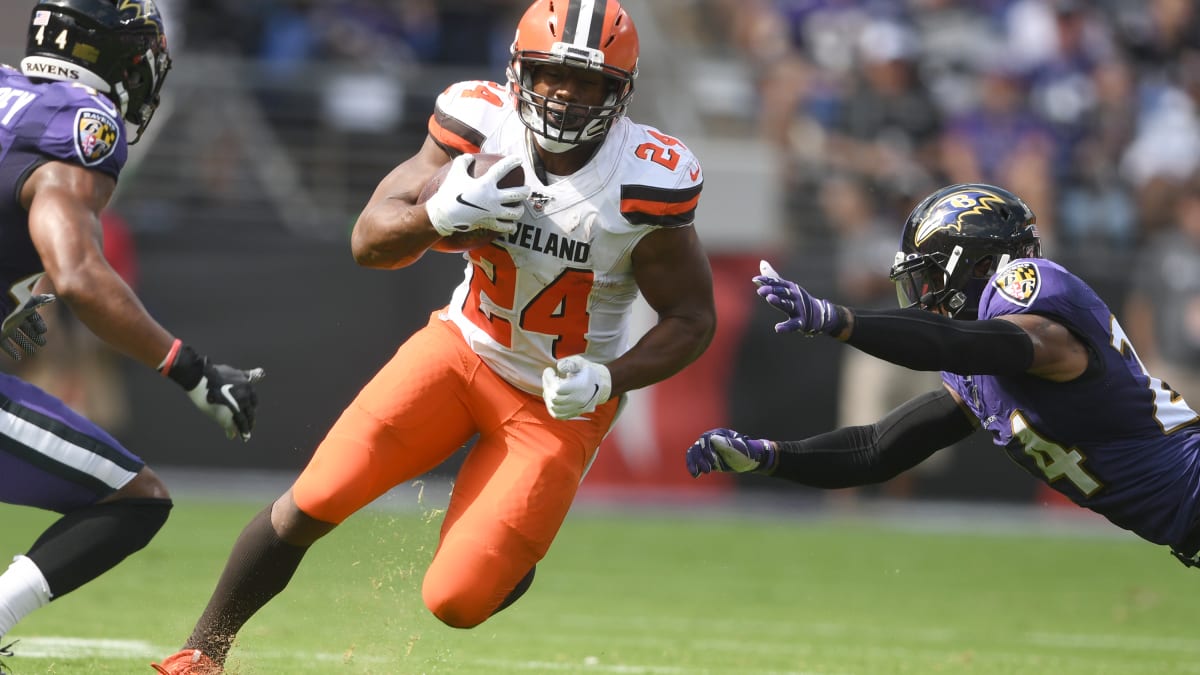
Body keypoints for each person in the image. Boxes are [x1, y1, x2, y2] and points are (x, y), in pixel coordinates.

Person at [152, 0, 714, 672]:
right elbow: (369, 240)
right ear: (518, 72)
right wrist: (435, 215)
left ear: (619, 92)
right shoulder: (479, 123)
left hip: (558, 400)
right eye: (551, 75)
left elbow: (692, 318)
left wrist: (610, 377)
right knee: (318, 495)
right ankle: (201, 652)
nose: (565, 94)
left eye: (587, 81)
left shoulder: (643, 178)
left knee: (455, 597)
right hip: (460, 350)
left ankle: (504, 553)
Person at [685, 182, 1200, 570]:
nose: (925, 292)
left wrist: (837, 319)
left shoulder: (1032, 293)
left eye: (931, 275)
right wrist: (769, 458)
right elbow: (877, 450)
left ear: (977, 266)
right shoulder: (976, 358)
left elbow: (969, 343)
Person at [0, 0, 265, 667]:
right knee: (136, 498)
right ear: (107, 54)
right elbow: (81, 277)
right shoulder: (76, 123)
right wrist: (192, 369)